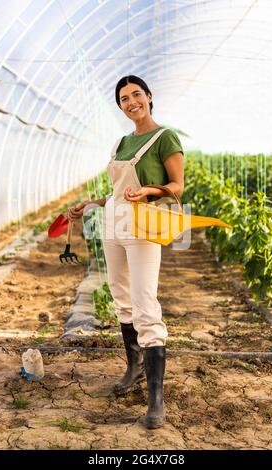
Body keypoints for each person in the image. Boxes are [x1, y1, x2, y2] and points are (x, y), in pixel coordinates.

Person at [67, 75, 184, 429]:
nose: (131, 101)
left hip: (143, 226)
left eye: (136, 94)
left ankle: (156, 398)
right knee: (121, 298)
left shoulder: (165, 137)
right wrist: (93, 203)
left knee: (145, 303)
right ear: (120, 106)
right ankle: (133, 367)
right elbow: (118, 190)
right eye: (124, 98)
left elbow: (177, 186)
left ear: (149, 97)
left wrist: (148, 190)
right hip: (113, 223)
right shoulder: (121, 141)